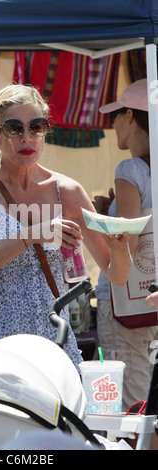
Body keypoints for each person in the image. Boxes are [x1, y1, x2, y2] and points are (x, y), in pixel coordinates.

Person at [0, 84, 131, 370]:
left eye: (36, 127)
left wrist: (120, 247)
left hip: (52, 346)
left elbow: (117, 274)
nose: (27, 137)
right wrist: (31, 235)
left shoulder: (67, 191)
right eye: (14, 128)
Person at [95, 78, 158, 412]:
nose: (113, 124)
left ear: (131, 116)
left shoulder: (131, 169)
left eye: (114, 116)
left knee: (129, 408)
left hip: (126, 306)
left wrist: (98, 218)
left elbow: (126, 244)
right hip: (155, 302)